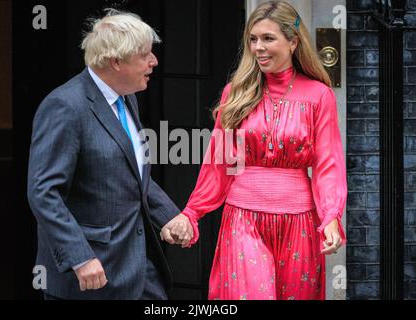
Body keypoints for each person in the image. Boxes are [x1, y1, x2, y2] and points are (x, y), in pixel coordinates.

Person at [162, 0, 347, 300]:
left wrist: (331, 217)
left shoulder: (319, 95)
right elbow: (219, 163)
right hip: (243, 219)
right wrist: (192, 212)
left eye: (268, 38)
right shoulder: (235, 93)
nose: (258, 47)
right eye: (253, 39)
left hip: (299, 222)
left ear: (293, 42)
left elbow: (329, 164)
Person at [27, 9, 192, 300]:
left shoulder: (126, 97)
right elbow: (43, 192)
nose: (154, 62)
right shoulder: (65, 106)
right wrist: (79, 257)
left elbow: (132, 172)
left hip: (139, 269)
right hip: (91, 276)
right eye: (144, 55)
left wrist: (168, 216)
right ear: (115, 61)